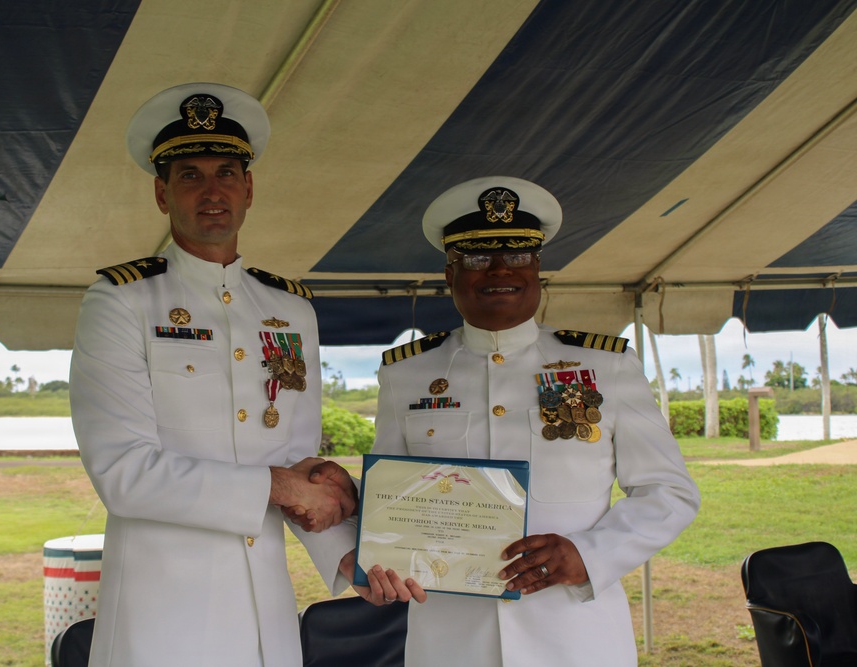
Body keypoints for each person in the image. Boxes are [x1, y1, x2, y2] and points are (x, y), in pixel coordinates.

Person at [349, 176, 701, 666]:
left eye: (517, 256)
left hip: (575, 635)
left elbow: (670, 491)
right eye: (476, 258)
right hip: (451, 636)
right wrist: (375, 558)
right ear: (449, 274)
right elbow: (391, 497)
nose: (499, 269)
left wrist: (590, 555)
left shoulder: (606, 366)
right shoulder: (407, 374)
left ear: (538, 270)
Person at [69, 82, 358, 667]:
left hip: (264, 611)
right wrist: (276, 486)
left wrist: (351, 561)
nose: (212, 191)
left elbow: (299, 459)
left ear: (249, 188)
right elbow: (124, 471)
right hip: (161, 614)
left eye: (226, 172)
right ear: (161, 193)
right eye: (190, 176)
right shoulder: (121, 300)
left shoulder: (290, 310)